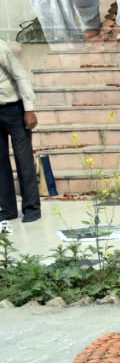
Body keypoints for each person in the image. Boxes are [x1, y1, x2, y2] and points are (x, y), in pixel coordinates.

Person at [0, 37, 38, 234]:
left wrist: (29, 109)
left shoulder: (1, 48)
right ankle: (7, 209)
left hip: (14, 109)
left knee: (24, 160)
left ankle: (32, 208)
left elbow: (20, 76)